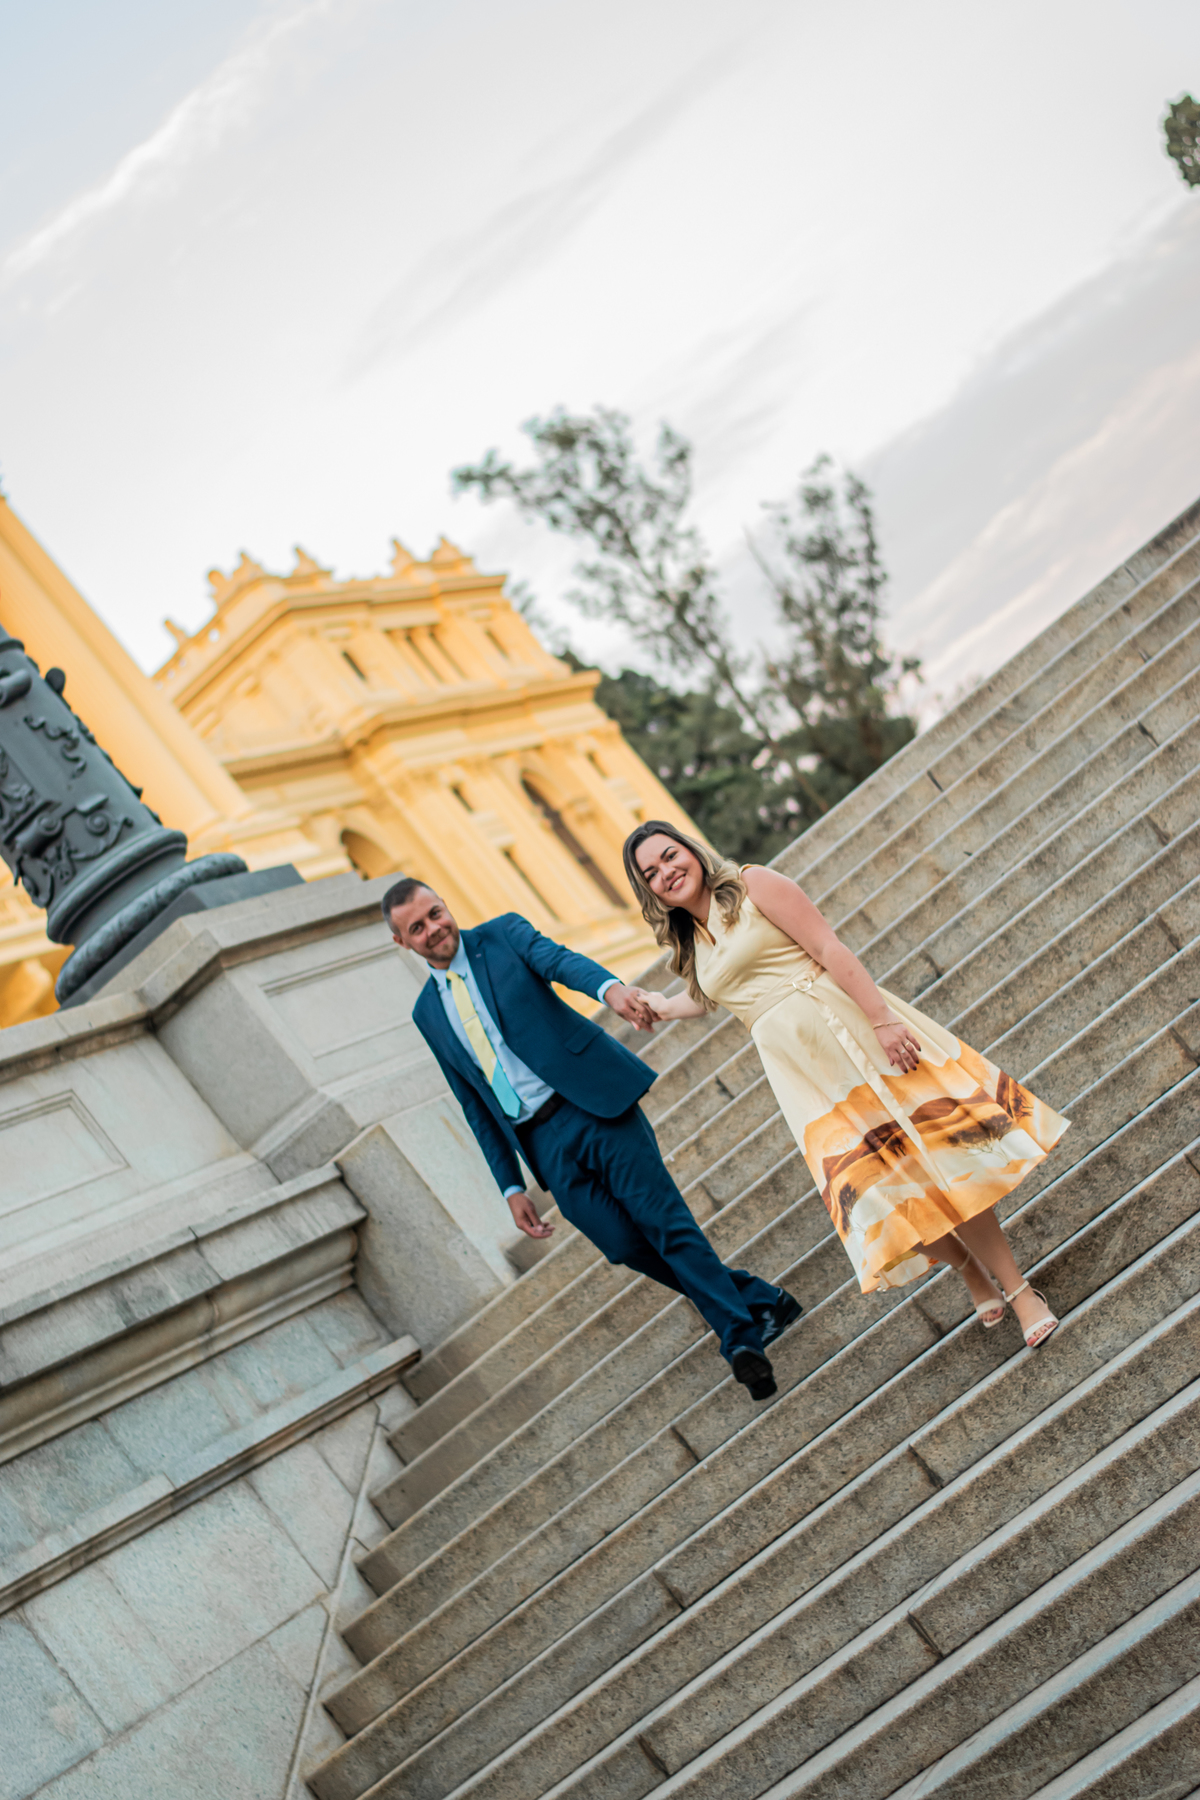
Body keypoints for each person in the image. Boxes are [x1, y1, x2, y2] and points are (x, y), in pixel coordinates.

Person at [622, 822, 1067, 1349]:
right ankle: (969, 1270)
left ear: (692, 850)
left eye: (670, 856)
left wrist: (881, 1019)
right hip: (803, 1077)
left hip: (848, 1035)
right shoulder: (692, 938)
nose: (666, 873)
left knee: (936, 1163)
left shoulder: (751, 884)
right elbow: (715, 994)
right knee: (878, 1190)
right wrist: (661, 1006)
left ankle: (1019, 1291)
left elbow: (828, 947)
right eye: (650, 872)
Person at [382, 877, 802, 1399]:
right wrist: (510, 1187)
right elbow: (473, 1103)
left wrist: (612, 990)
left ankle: (740, 1341)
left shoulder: (504, 935)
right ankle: (757, 1297)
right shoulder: (427, 1012)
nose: (434, 929)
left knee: (664, 1222)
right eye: (417, 927)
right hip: (542, 1144)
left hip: (593, 1103)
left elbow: (561, 961)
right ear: (402, 942)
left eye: (436, 913)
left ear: (447, 906)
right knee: (624, 1243)